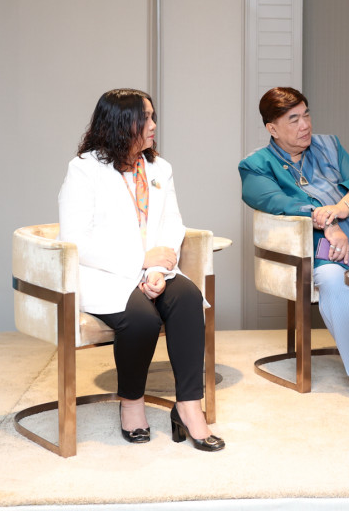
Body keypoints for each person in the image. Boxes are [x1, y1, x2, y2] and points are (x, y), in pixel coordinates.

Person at [58, 89, 224, 451]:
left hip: (152, 267)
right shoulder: (84, 169)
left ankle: (189, 407)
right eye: (144, 118)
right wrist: (140, 261)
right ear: (120, 123)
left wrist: (157, 269)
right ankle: (131, 402)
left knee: (188, 298)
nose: (153, 125)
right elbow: (75, 239)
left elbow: (171, 222)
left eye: (152, 117)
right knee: (142, 320)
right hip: (103, 272)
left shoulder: (160, 168)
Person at [239, 87, 349, 403]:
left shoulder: (330, 145)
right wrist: (326, 222)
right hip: (320, 250)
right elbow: (273, 201)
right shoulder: (256, 165)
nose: (305, 125)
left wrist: (342, 208)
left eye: (306, 115)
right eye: (293, 120)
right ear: (272, 129)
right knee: (332, 282)